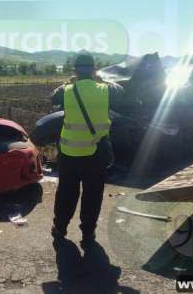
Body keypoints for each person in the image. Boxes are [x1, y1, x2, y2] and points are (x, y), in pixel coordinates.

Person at [50, 53, 123, 247]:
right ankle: (88, 234)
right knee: (92, 195)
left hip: (68, 153)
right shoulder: (104, 90)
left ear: (75, 71)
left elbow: (52, 98)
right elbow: (121, 91)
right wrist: (100, 79)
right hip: (95, 154)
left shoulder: (66, 90)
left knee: (66, 192)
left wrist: (69, 81)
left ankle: (60, 228)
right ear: (94, 70)